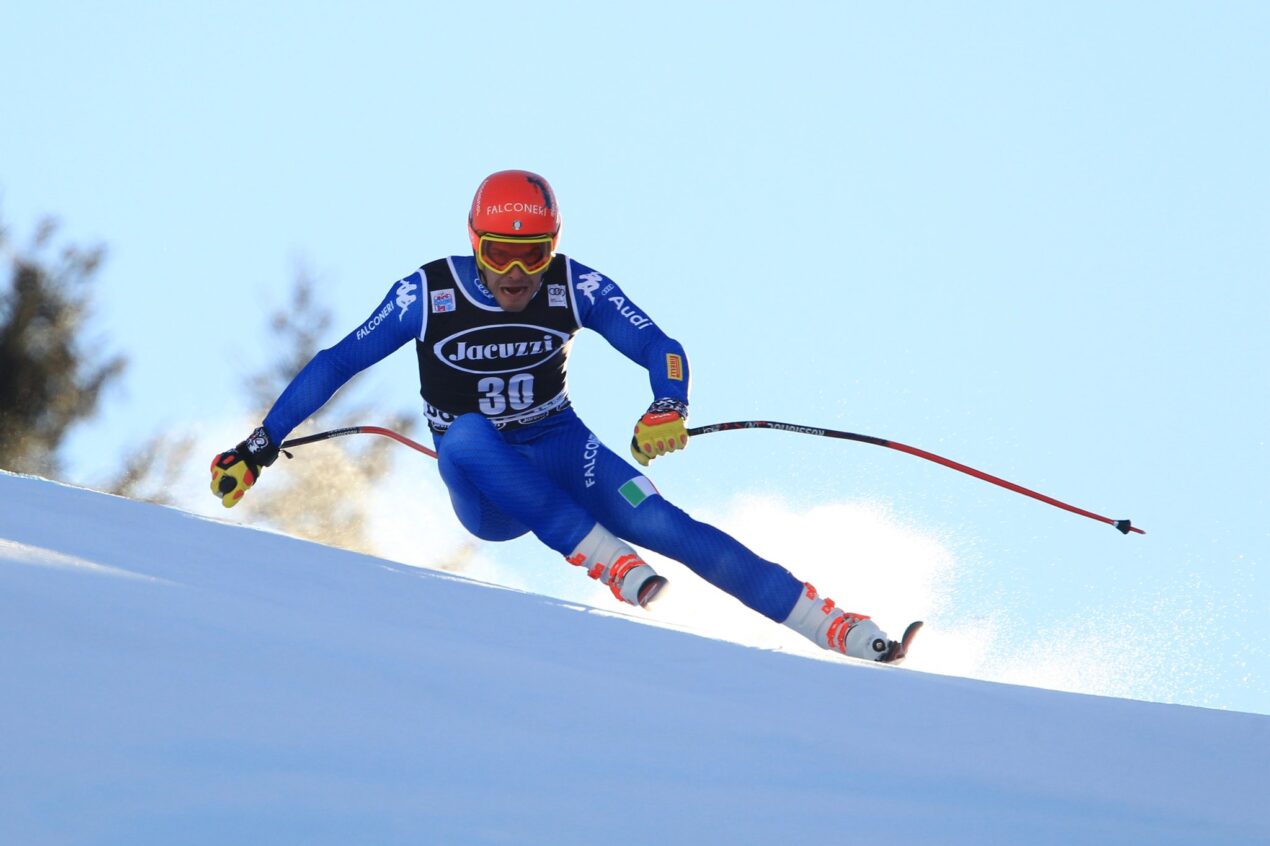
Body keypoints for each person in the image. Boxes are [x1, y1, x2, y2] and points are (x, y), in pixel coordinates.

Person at [210, 169, 902, 661]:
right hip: (489, 490)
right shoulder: (429, 292)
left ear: (554, 246)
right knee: (467, 436)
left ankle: (834, 625)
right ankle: (603, 558)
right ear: (473, 243)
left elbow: (660, 345)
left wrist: (669, 404)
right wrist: (259, 444)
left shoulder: (576, 286)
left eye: (533, 254)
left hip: (564, 449)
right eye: (497, 254)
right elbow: (337, 361)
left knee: (668, 525)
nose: (515, 273)